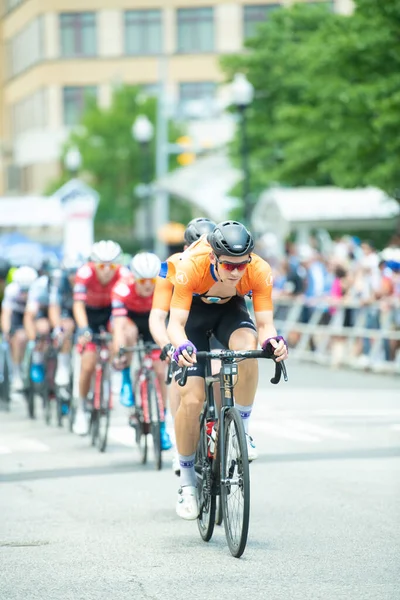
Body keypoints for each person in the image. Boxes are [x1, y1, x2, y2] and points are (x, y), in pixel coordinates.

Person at [165, 220, 288, 520]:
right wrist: (181, 346)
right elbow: (175, 325)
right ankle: (186, 483)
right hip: (192, 316)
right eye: (229, 266)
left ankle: (242, 431)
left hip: (229, 313)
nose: (236, 272)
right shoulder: (190, 264)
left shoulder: (257, 270)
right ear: (213, 258)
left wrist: (274, 341)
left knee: (249, 347)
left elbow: (265, 324)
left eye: (241, 265)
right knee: (192, 400)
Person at [149, 217, 216, 473]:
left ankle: (226, 425)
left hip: (214, 324)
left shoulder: (221, 263)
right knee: (181, 373)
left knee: (225, 369)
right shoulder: (174, 267)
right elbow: (157, 316)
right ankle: (180, 440)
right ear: (186, 249)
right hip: (184, 327)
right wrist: (167, 346)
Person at [111, 251, 172, 450]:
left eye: (151, 280)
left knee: (161, 372)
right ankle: (127, 379)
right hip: (131, 321)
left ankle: (162, 426)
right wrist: (120, 351)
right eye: (142, 280)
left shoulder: (166, 286)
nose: (147, 285)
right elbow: (119, 326)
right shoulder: (122, 288)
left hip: (154, 321)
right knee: (128, 332)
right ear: (133, 278)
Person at [72, 240, 125, 435]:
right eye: (102, 266)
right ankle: (80, 408)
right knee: (87, 364)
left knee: (116, 341)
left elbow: (123, 310)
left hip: (111, 312)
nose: (107, 271)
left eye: (111, 265)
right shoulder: (84, 273)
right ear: (93, 264)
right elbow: (78, 305)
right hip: (90, 314)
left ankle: (113, 376)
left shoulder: (123, 274)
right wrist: (84, 328)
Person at [1, 266, 38, 390]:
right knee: (18, 338)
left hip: (31, 314)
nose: (24, 293)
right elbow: (6, 313)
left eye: (27, 290)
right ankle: (16, 373)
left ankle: (34, 362)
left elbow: (29, 316)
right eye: (22, 290)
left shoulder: (36, 291)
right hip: (16, 315)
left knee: (32, 334)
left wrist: (32, 337)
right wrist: (6, 331)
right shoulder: (11, 290)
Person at [49, 255, 83, 386]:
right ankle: (63, 365)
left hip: (82, 311)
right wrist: (57, 328)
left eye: (76, 272)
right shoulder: (58, 281)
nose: (73, 276)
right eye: (70, 273)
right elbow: (54, 307)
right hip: (66, 311)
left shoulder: (85, 281)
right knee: (66, 327)